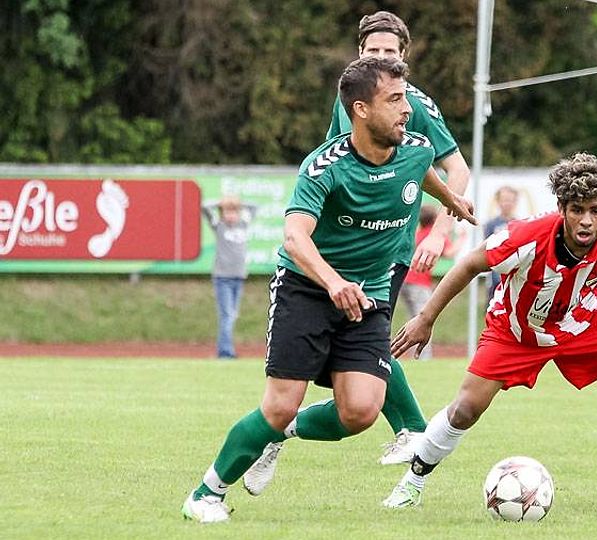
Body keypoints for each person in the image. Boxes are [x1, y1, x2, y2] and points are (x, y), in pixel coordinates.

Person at [180, 55, 475, 524]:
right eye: (395, 100)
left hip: (369, 295)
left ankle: (280, 436)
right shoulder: (324, 167)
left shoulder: (416, 149)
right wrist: (333, 281)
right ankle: (205, 494)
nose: (407, 109)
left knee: (360, 411)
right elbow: (295, 238)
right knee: (279, 405)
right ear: (361, 109)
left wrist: (451, 200)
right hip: (307, 290)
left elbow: (424, 174)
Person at [382, 153, 597, 510]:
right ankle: (411, 484)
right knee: (465, 410)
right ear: (561, 208)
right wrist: (426, 318)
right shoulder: (524, 237)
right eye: (577, 210)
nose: (587, 220)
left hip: (584, 321)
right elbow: (470, 264)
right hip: (516, 331)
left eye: (596, 210)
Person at [323, 10, 472, 463]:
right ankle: (283, 426)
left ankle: (411, 428)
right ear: (359, 53)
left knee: (364, 336)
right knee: (339, 343)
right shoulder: (350, 100)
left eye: (390, 50)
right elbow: (332, 159)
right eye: (373, 50)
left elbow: (458, 170)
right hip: (346, 242)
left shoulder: (416, 106)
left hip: (389, 244)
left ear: (404, 56)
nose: (380, 56)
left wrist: (438, 234)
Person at [399, 205, 464, 360]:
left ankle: (410, 355)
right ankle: (422, 358)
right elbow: (449, 253)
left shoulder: (419, 234)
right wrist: (463, 237)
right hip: (418, 283)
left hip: (405, 281)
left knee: (413, 318)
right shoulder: (433, 235)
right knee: (424, 321)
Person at [201, 195, 256, 359]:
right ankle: (225, 352)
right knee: (227, 315)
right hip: (223, 277)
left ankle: (225, 349)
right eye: (227, 212)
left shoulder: (243, 224)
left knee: (232, 314)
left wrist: (237, 203)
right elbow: (204, 207)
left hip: (238, 276)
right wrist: (221, 203)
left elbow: (254, 207)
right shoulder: (219, 226)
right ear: (222, 213)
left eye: (234, 212)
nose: (231, 215)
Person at [483, 185, 519, 301]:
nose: (507, 204)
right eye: (504, 200)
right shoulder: (491, 225)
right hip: (495, 274)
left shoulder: (520, 224)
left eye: (510, 200)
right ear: (498, 202)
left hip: (514, 274)